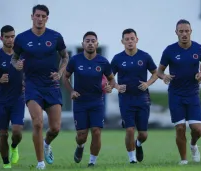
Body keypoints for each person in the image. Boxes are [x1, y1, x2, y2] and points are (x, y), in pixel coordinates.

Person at [11, 4, 69, 169]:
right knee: (37, 122)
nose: (40, 19)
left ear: (47, 18)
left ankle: (47, 143)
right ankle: (40, 162)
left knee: (55, 128)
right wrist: (17, 65)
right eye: (37, 16)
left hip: (51, 85)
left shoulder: (56, 36)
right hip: (32, 85)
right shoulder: (22, 38)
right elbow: (14, 58)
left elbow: (65, 57)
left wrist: (59, 73)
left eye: (43, 16)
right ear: (32, 17)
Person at [157, 19, 201, 165]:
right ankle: (184, 160)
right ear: (176, 33)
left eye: (187, 31)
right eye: (181, 31)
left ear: (191, 31)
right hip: (175, 94)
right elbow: (159, 70)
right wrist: (164, 76)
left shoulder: (199, 48)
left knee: (197, 130)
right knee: (180, 128)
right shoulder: (169, 50)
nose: (184, 34)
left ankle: (193, 144)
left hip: (192, 94)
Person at [62, 31, 115, 167]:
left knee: (96, 132)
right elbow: (65, 77)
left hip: (97, 102)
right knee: (82, 135)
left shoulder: (103, 62)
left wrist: (110, 87)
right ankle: (80, 147)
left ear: (97, 44)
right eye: (87, 41)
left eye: (93, 41)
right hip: (80, 102)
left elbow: (111, 80)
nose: (90, 43)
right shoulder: (75, 60)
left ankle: (92, 162)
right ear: (83, 44)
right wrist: (71, 91)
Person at [111, 28, 158, 163]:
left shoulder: (145, 56)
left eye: (132, 39)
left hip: (142, 99)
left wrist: (148, 83)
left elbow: (156, 73)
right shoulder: (118, 58)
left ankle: (138, 144)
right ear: (122, 41)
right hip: (126, 99)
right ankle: (132, 159)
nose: (130, 41)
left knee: (143, 134)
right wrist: (117, 86)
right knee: (130, 130)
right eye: (127, 39)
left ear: (137, 40)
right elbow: (109, 77)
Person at [0, 25, 24, 169]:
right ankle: (6, 163)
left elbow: (31, 72)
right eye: (7, 37)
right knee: (3, 134)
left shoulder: (21, 55)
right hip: (1, 101)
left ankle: (14, 146)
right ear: (1, 38)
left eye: (12, 36)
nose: (10, 39)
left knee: (17, 131)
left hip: (18, 100)